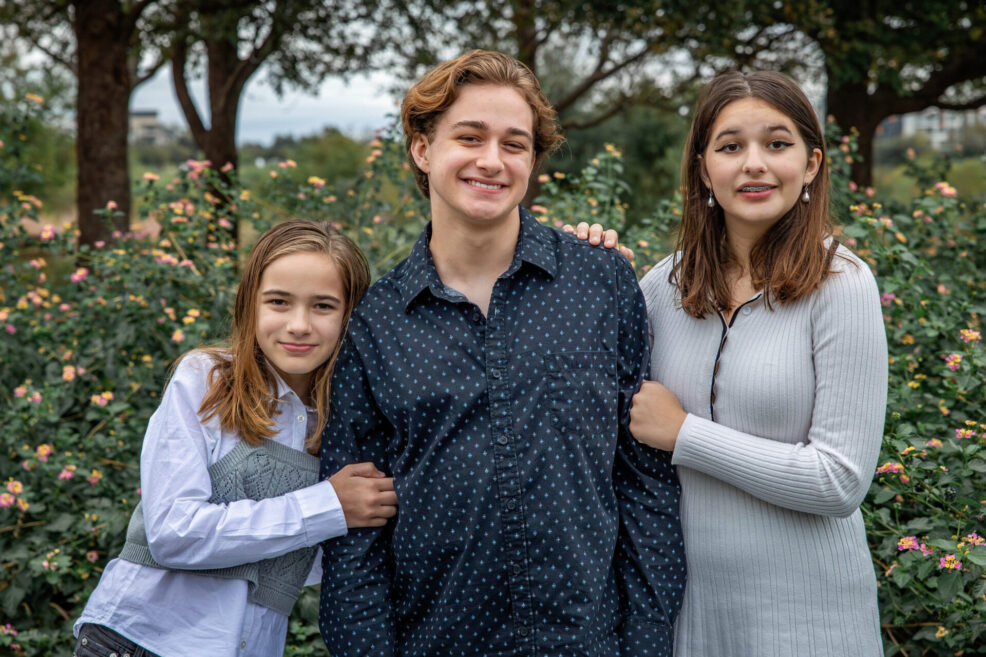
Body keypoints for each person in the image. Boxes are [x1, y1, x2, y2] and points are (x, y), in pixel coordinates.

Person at [317, 49, 685, 657]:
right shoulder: (376, 321)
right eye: (470, 136)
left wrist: (645, 643)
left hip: (584, 642)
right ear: (423, 149)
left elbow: (644, 482)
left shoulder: (602, 285)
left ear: (534, 162)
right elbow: (355, 528)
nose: (492, 160)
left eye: (515, 144)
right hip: (435, 642)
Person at [630, 70, 887, 656]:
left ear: (812, 163)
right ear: (702, 168)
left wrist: (684, 433)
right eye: (730, 146)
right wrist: (583, 266)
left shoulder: (841, 284)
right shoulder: (658, 287)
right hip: (687, 616)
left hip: (810, 621)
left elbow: (839, 479)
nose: (753, 164)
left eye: (776, 144)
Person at [73, 220, 398, 657]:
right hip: (138, 639)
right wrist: (327, 506)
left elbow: (321, 560)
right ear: (250, 304)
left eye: (323, 306)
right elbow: (173, 532)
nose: (298, 325)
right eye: (279, 302)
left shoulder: (351, 419)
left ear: (351, 315)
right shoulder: (205, 382)